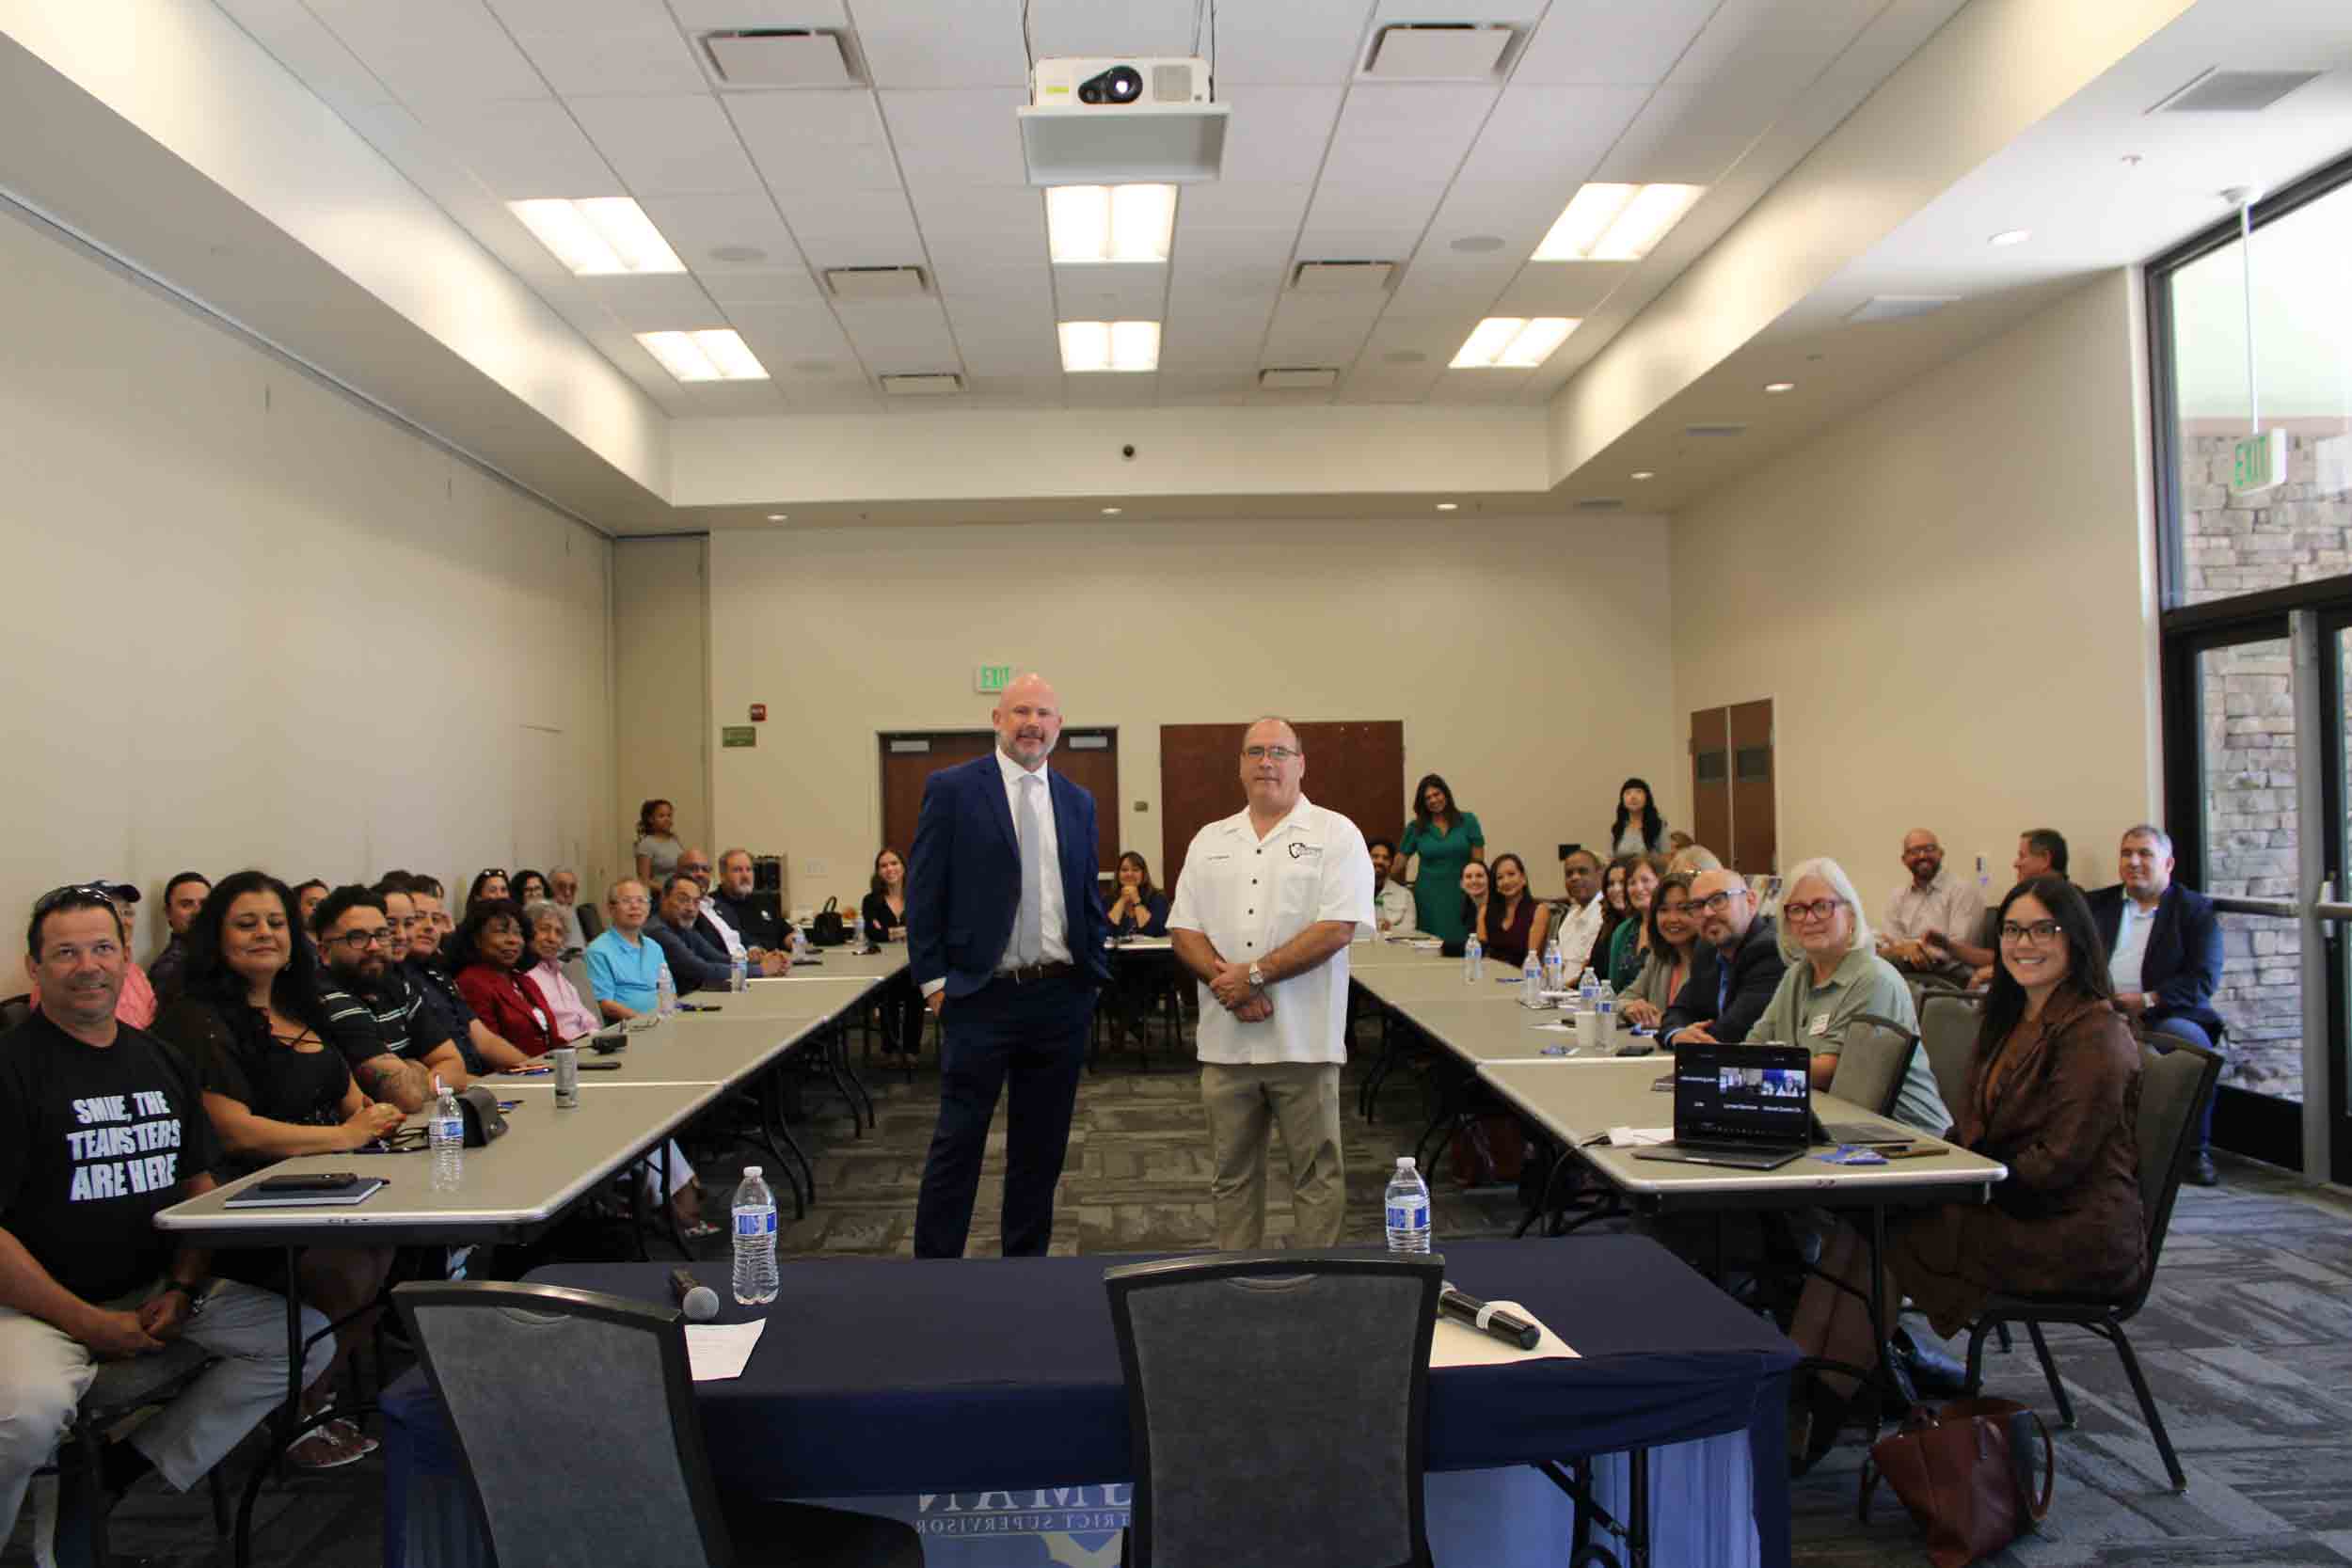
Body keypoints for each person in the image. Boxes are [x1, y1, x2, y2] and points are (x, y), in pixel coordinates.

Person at [1, 886, 335, 1534]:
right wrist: (91, 1324)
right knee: (25, 1412)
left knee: (305, 1338)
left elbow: (198, 1186)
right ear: (34, 967)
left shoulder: (160, 1060)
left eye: (102, 947)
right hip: (39, 1307)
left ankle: (124, 1470)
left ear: (127, 955)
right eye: (65, 952)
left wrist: (183, 1286)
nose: (87, 965)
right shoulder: (11, 1068)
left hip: (157, 1290)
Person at [1786, 876, 2144, 1465]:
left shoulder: (2095, 1034)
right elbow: (1978, 1135)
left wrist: (1952, 1183)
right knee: (1863, 1219)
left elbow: (2057, 1167)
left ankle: (1822, 1410)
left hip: (2070, 1233)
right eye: (2012, 930)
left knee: (1885, 1232)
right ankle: (1809, 1387)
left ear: (2075, 940)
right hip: (2009, 1199)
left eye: (2042, 930)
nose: (2024, 943)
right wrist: (1923, 1163)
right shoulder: (2013, 1017)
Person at [150, 872, 401, 1468]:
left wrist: (373, 1115)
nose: (264, 933)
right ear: (217, 937)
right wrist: (344, 1135)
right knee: (347, 1265)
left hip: (320, 1184)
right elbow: (233, 1128)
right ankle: (296, 1409)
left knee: (398, 1250)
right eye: (246, 923)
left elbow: (350, 1100)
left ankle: (308, 1396)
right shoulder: (196, 1018)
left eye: (275, 922)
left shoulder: (298, 1008)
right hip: (234, 1202)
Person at [906, 672, 1109, 1259]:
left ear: (1058, 727)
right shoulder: (952, 789)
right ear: (997, 720)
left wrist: (1090, 973)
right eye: (1020, 711)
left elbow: (1082, 894)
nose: (1032, 724)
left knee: (1040, 1151)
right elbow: (924, 891)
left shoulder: (1077, 800)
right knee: (958, 1144)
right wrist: (936, 982)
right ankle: (935, 1271)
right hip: (979, 996)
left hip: (1059, 998)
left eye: (1044, 714)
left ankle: (1025, 1269)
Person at [1168, 719, 1375, 1250]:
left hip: (1304, 1045)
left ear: (1301, 764)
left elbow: (1338, 927)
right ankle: (1238, 1283)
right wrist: (1229, 984)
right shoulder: (1210, 839)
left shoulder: (1337, 834)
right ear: (1239, 765)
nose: (1267, 762)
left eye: (1280, 752)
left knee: (1316, 1178)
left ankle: (1319, 1286)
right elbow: (1184, 930)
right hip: (1226, 1046)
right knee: (1231, 1177)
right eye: (1255, 752)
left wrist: (1255, 975)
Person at [1753, 859, 1949, 1134]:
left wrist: (1754, 1068)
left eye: (1822, 906)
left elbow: (1831, 1072)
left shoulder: (1875, 978)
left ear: (1852, 916)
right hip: (1830, 1128)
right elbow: (1752, 1047)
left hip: (1908, 1140)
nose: (1809, 919)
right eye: (1797, 909)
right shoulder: (1795, 976)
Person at [2089, 824, 2224, 1185]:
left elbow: (2203, 980)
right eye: (2126, 853)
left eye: (2144, 854)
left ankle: (2195, 1152)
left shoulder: (2193, 910)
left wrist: (2147, 1000)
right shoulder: (2096, 905)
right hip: (2100, 1010)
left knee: (2192, 1045)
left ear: (2169, 863)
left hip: (2166, 1012)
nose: (2133, 861)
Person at [310, 886, 468, 1113]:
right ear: (325, 952)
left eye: (382, 934)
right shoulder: (329, 999)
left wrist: (414, 1076)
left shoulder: (395, 985)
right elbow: (405, 1096)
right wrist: (419, 1068)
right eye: (357, 937)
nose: (374, 946)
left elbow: (455, 1066)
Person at [396, 878, 532, 1075]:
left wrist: (534, 1070)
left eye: (436, 919)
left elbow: (484, 1040)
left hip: (476, 1079)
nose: (430, 927)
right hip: (448, 1088)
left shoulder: (438, 975)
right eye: (418, 918)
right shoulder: (397, 980)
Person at [1661, 869, 1787, 1045]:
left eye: (1718, 899)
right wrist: (1677, 1034)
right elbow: (1678, 1011)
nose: (1707, 912)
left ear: (1750, 901)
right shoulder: (1706, 949)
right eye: (1697, 905)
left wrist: (1689, 1040)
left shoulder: (1770, 950)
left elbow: (1734, 1031)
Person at [1924, 829, 2069, 974]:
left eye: (2022, 856)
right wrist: (1947, 945)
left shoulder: (2071, 903)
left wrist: (1998, 972)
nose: (2016, 864)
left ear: (2045, 859)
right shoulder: (2020, 900)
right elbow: (1997, 958)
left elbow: (2063, 960)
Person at [29, 882, 157, 1029]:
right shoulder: (54, 983)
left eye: (127, 913)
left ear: (126, 958)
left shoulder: (136, 973)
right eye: (67, 952)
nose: (124, 921)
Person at [451, 899, 557, 1056]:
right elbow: (489, 1051)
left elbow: (553, 1039)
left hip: (547, 1069)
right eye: (501, 931)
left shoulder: (524, 981)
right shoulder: (471, 983)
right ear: (477, 939)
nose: (513, 940)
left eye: (517, 932)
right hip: (511, 1075)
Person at [1877, 830, 1986, 978]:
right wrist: (1904, 950)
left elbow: (1957, 948)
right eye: (1914, 851)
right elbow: (1888, 943)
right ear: (1904, 859)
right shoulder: (1897, 896)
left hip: (1950, 976)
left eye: (1929, 849)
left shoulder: (1963, 891)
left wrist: (1913, 949)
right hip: (1905, 972)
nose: (1922, 856)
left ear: (1941, 853)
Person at [1396, 774, 1483, 948]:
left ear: (1446, 794)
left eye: (1437, 794)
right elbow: (1400, 860)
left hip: (1462, 895)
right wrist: (1379, 884)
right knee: (1430, 945)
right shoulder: (1416, 827)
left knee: (1462, 945)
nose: (1434, 800)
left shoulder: (1468, 821)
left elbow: (1478, 861)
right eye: (1428, 798)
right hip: (1428, 897)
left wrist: (1477, 889)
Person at [1100, 851, 1172, 1054]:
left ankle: (1123, 1026)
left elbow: (1154, 930)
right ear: (1118, 874)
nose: (1129, 874)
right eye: (1124, 870)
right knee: (1105, 977)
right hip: (1118, 963)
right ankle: (1135, 1026)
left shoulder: (1156, 898)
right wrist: (1122, 901)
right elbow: (1105, 930)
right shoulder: (1109, 899)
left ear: (1143, 873)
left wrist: (1137, 901)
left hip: (1150, 963)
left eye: (1135, 869)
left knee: (1137, 979)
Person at [683, 847, 782, 976]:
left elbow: (742, 937)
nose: (700, 874)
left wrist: (760, 952)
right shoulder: (684, 913)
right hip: (726, 979)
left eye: (705, 870)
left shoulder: (716, 906)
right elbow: (707, 958)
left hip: (745, 973)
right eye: (692, 868)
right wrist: (756, 966)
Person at [1619, 872, 1698, 1030]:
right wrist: (1633, 1007)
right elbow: (1624, 998)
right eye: (1663, 910)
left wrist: (1664, 1022)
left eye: (1683, 909)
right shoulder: (1659, 957)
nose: (1672, 918)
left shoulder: (1714, 961)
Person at [586, 879, 666, 1022]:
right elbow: (605, 1004)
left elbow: (668, 991)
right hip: (629, 1029)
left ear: (648, 907)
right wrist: (644, 1021)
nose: (635, 906)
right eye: (626, 901)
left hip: (661, 1022)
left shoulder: (655, 947)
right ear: (611, 908)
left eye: (641, 900)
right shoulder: (598, 950)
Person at [521, 902, 599, 1043]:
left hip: (588, 1044)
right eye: (544, 929)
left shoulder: (559, 973)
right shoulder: (525, 976)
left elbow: (585, 1016)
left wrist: (596, 1036)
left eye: (558, 933)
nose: (552, 938)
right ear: (527, 932)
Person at [644, 875, 730, 996]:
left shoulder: (684, 927)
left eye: (696, 902)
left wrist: (758, 964)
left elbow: (718, 957)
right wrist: (760, 970)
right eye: (683, 899)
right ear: (664, 898)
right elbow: (701, 970)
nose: (691, 908)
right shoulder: (657, 931)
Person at [710, 848, 792, 958]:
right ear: (723, 875)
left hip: (780, 966)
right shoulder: (711, 905)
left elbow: (786, 933)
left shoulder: (763, 902)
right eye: (737, 870)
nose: (745, 875)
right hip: (741, 969)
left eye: (749, 869)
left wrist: (795, 941)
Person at [1474, 853, 1550, 969]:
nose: (1506, 881)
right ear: (1496, 886)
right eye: (1500, 877)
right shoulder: (1484, 911)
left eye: (1511, 874)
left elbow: (1531, 958)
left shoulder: (1539, 910)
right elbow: (1480, 955)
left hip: (1524, 977)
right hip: (1490, 975)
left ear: (1523, 878)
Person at [1607, 854, 1669, 991]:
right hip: (1624, 1006)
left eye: (1645, 880)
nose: (1638, 888)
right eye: (1631, 883)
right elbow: (1613, 988)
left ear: (1661, 882)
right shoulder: (1623, 931)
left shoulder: (1670, 928)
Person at [146, 871, 210, 1000]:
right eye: (186, 904)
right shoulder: (169, 969)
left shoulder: (227, 953)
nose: (198, 911)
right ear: (168, 913)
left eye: (204, 904)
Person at [1550, 848, 1608, 983]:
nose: (1574, 878)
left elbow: (1589, 973)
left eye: (1582, 871)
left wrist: (1562, 991)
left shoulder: (1605, 914)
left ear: (1599, 875)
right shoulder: (1571, 915)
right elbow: (1557, 964)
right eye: (1569, 874)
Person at [1609, 778, 1667, 857]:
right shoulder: (1617, 828)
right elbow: (1611, 858)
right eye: (1628, 793)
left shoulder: (1657, 824)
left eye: (1638, 792)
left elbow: (1667, 856)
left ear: (1647, 798)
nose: (1633, 797)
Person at [1368, 838, 1414, 934]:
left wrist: (1390, 928)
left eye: (1386, 858)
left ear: (1391, 864)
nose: (1380, 861)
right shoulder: (1352, 892)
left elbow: (1410, 930)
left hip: (1393, 947)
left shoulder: (1405, 895)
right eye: (1375, 856)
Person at [633, 800, 683, 890]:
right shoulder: (646, 844)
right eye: (662, 816)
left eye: (669, 815)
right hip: (659, 897)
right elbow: (644, 880)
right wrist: (668, 890)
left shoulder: (674, 840)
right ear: (651, 819)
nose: (667, 819)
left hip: (678, 892)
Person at [548, 868, 592, 951]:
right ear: (549, 888)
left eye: (572, 888)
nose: (567, 893)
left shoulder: (577, 912)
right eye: (561, 887)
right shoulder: (545, 913)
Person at [1455, 860, 1490, 952]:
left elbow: (1482, 948)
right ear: (1461, 884)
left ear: (1489, 879)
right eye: (1468, 877)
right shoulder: (1468, 909)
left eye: (1479, 876)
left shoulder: (1499, 907)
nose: (1474, 880)